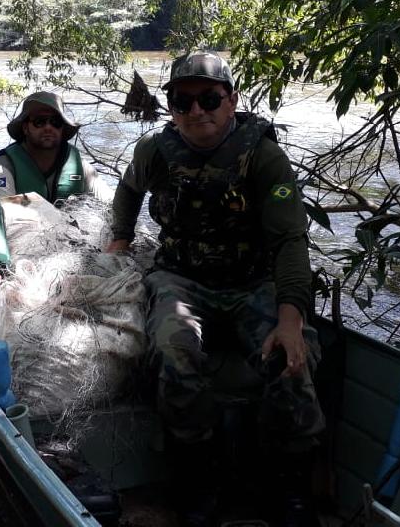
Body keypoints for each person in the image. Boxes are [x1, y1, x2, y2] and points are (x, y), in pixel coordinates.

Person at [104, 51, 324, 526]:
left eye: (209, 99)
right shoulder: (156, 152)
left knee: (292, 360)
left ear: (231, 101)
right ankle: (196, 479)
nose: (196, 110)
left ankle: (292, 488)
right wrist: (119, 237)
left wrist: (290, 319)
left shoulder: (262, 156)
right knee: (172, 351)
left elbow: (289, 239)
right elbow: (127, 189)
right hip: (181, 276)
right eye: (182, 101)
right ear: (171, 107)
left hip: (252, 280)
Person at [0, 91, 113, 204]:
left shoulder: (80, 166)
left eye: (55, 122)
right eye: (40, 121)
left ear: (62, 128)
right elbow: (1, 207)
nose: (48, 127)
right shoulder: (3, 165)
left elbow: (109, 202)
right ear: (25, 128)